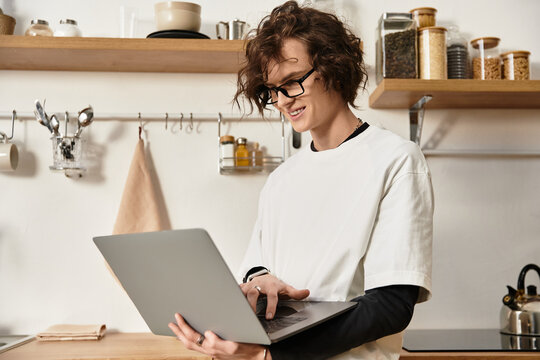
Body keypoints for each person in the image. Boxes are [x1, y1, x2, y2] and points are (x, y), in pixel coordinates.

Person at [168, 1, 434, 359]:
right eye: (272, 90)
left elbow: (390, 306)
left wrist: (270, 357)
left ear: (333, 67)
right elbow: (258, 265)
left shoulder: (396, 160)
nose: (281, 101)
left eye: (291, 83)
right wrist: (260, 284)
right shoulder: (282, 178)